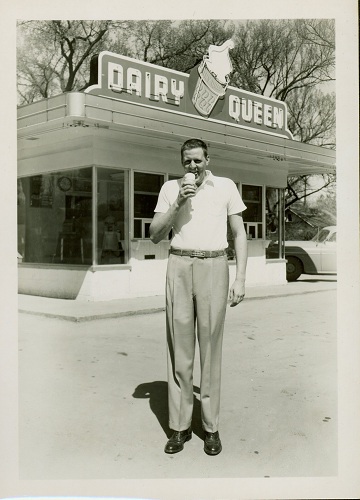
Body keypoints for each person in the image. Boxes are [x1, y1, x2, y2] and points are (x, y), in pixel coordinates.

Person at [149, 138, 248, 456]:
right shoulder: (170, 189)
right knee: (180, 351)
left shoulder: (226, 187)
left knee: (210, 349)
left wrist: (241, 277)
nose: (192, 166)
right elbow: (154, 235)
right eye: (186, 161)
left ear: (208, 159)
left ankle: (211, 428)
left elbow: (239, 232)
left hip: (214, 265)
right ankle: (180, 427)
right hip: (179, 264)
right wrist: (178, 202)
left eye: (197, 160)